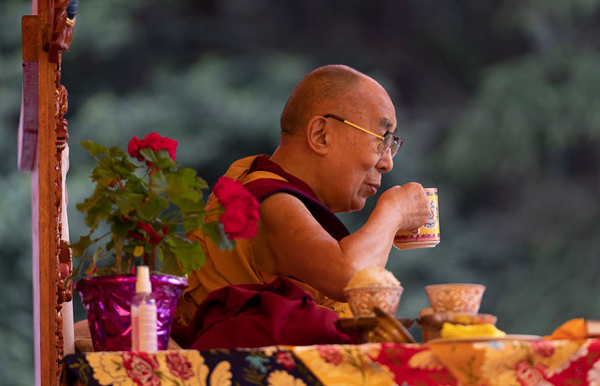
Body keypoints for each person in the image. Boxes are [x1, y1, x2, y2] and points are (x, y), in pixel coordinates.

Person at [175, 64, 430, 326]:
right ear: (321, 135)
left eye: (391, 144)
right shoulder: (267, 199)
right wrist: (394, 211)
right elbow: (353, 278)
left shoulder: (283, 197)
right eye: (381, 139)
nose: (387, 163)